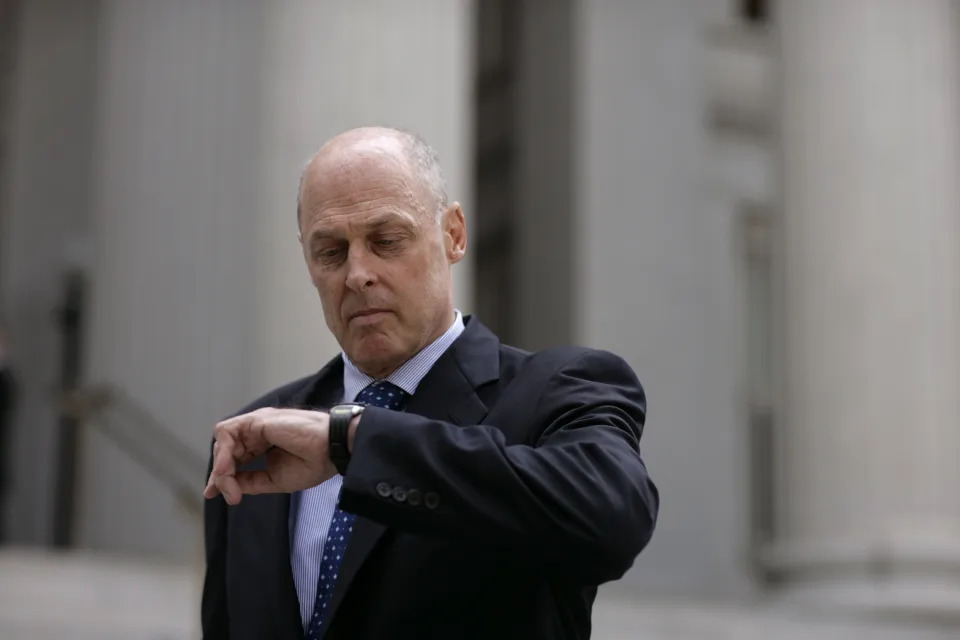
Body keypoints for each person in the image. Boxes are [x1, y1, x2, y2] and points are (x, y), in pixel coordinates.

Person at [202, 126, 658, 640]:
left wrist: (352, 441)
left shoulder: (559, 388)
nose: (358, 274)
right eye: (330, 251)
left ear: (454, 234)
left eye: (386, 240)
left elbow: (611, 521)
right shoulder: (256, 440)